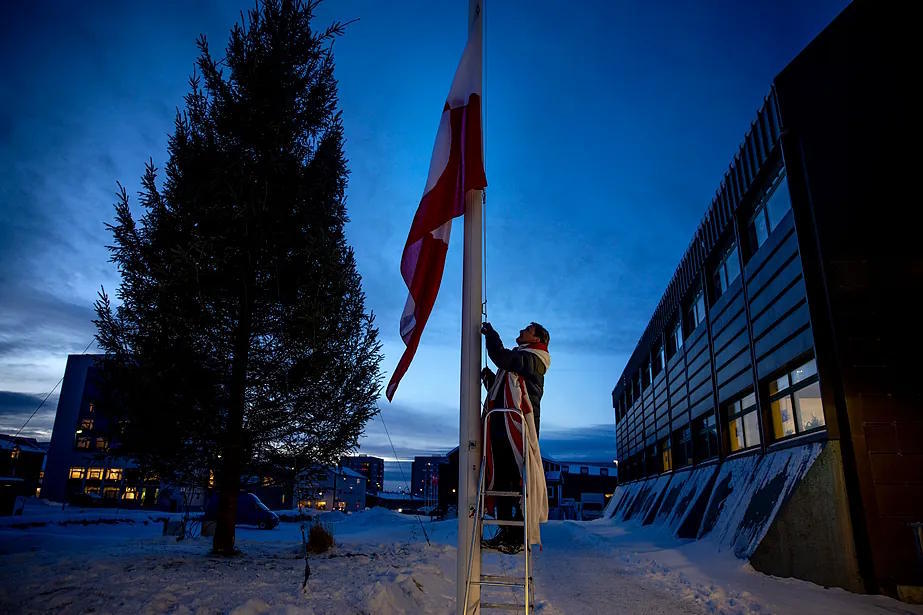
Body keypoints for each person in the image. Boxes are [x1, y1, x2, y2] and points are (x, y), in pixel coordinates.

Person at [479, 321, 550, 553]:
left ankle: (517, 535)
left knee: (516, 481)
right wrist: (490, 379)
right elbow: (506, 391)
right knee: (502, 480)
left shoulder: (533, 360)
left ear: (537, 339)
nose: (521, 331)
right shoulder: (522, 359)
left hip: (519, 429)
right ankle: (505, 531)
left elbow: (503, 358)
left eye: (527, 330)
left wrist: (491, 335)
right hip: (503, 426)